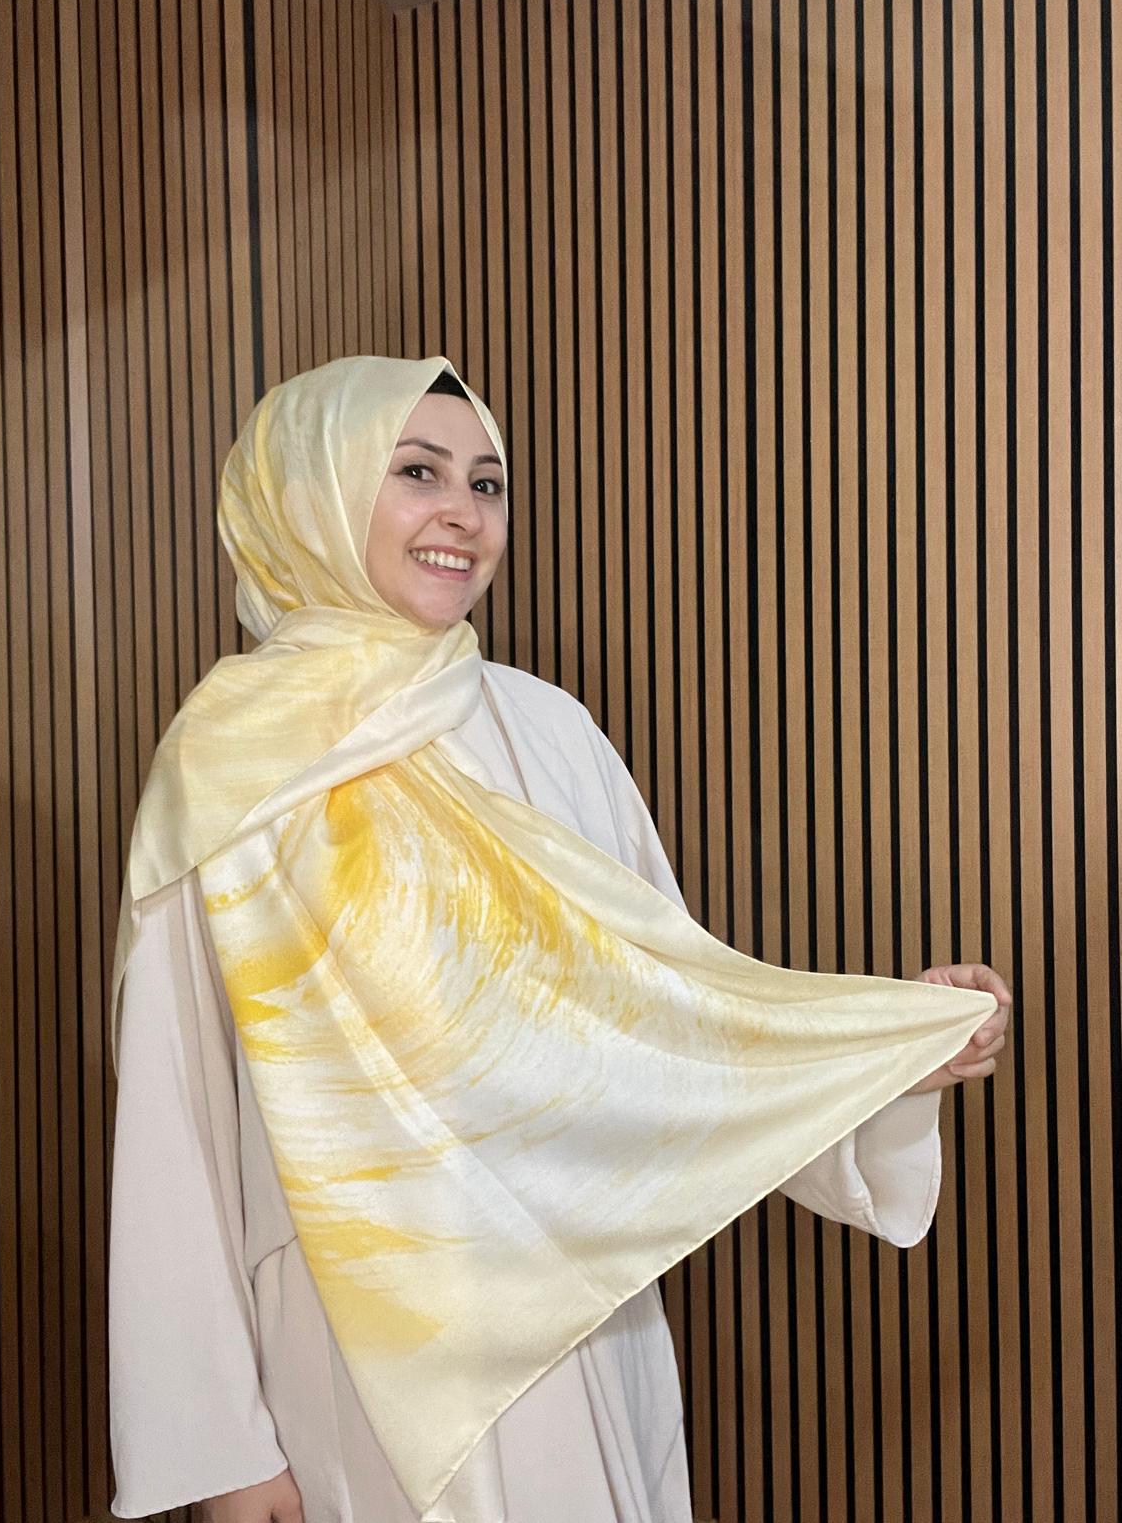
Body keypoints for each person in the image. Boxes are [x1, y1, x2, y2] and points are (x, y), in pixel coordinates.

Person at [107, 356, 1010, 1523]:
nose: (462, 513)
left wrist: (891, 1063)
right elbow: (177, 1115)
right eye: (416, 472)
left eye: (485, 483)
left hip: (571, 1308)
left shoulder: (550, 731)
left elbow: (675, 1024)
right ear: (311, 492)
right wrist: (221, 1449)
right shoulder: (229, 761)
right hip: (355, 1335)